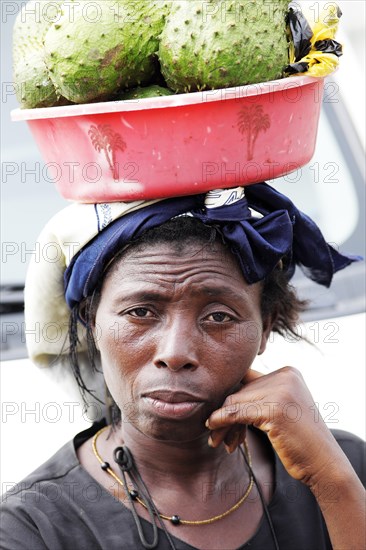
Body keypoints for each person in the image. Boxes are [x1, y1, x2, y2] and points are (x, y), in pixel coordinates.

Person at [1, 184, 365, 550]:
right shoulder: (32, 529)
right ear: (92, 323)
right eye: (140, 313)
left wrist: (334, 484)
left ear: (265, 327)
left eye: (219, 316)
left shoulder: (342, 465)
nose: (175, 353)